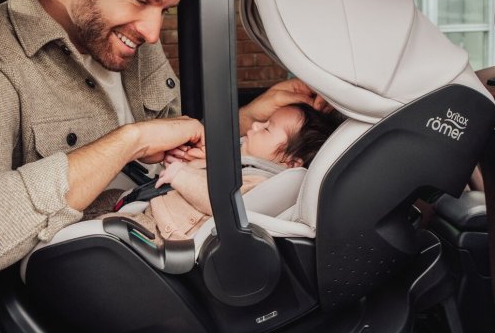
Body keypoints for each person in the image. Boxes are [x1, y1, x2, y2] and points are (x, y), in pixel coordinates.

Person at [0, 0, 317, 273]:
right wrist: (130, 141)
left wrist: (249, 118)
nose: (153, 32)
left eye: (164, 9)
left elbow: (173, 142)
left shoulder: (129, 34)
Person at [113, 102, 341, 243]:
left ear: (289, 163)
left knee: (100, 231)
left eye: (267, 128)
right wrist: (188, 163)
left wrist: (181, 174)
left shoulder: (261, 181)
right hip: (153, 211)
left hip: (161, 231)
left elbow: (222, 202)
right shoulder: (245, 165)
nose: (255, 126)